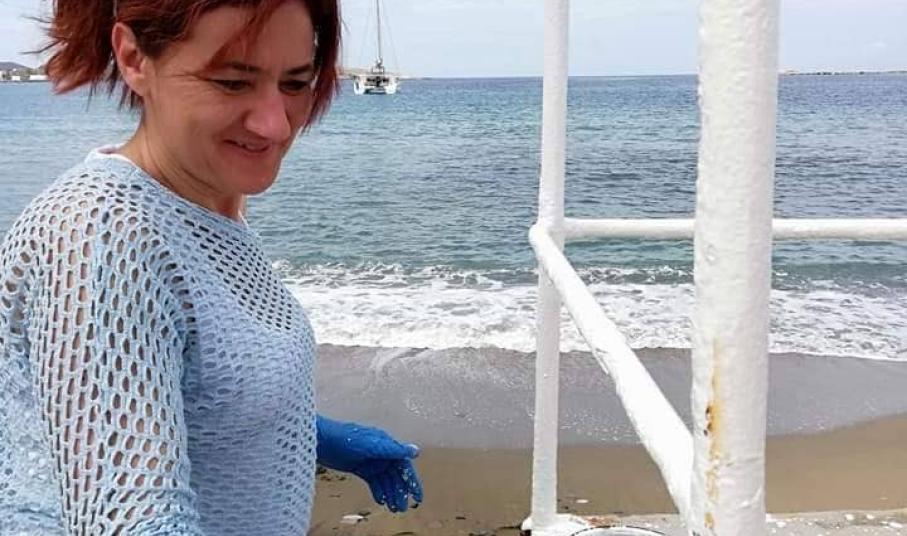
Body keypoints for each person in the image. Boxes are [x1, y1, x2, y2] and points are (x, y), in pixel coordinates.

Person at [0, 1, 422, 534]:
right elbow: (135, 520)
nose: (274, 124)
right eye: (231, 82)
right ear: (134, 58)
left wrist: (311, 435)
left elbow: (190, 390)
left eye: (295, 83)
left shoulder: (198, 206)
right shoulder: (101, 235)